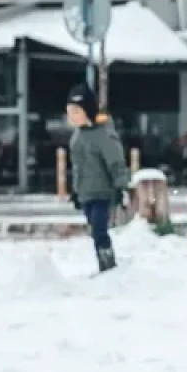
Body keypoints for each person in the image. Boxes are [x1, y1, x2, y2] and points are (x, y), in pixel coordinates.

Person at [66, 84, 130, 272]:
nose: (72, 116)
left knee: (99, 230)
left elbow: (116, 163)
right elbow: (78, 167)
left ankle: (108, 265)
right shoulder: (77, 137)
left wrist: (121, 187)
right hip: (86, 192)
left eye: (76, 111)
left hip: (103, 192)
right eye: (69, 112)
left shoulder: (103, 135)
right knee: (94, 230)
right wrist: (76, 191)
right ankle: (103, 261)